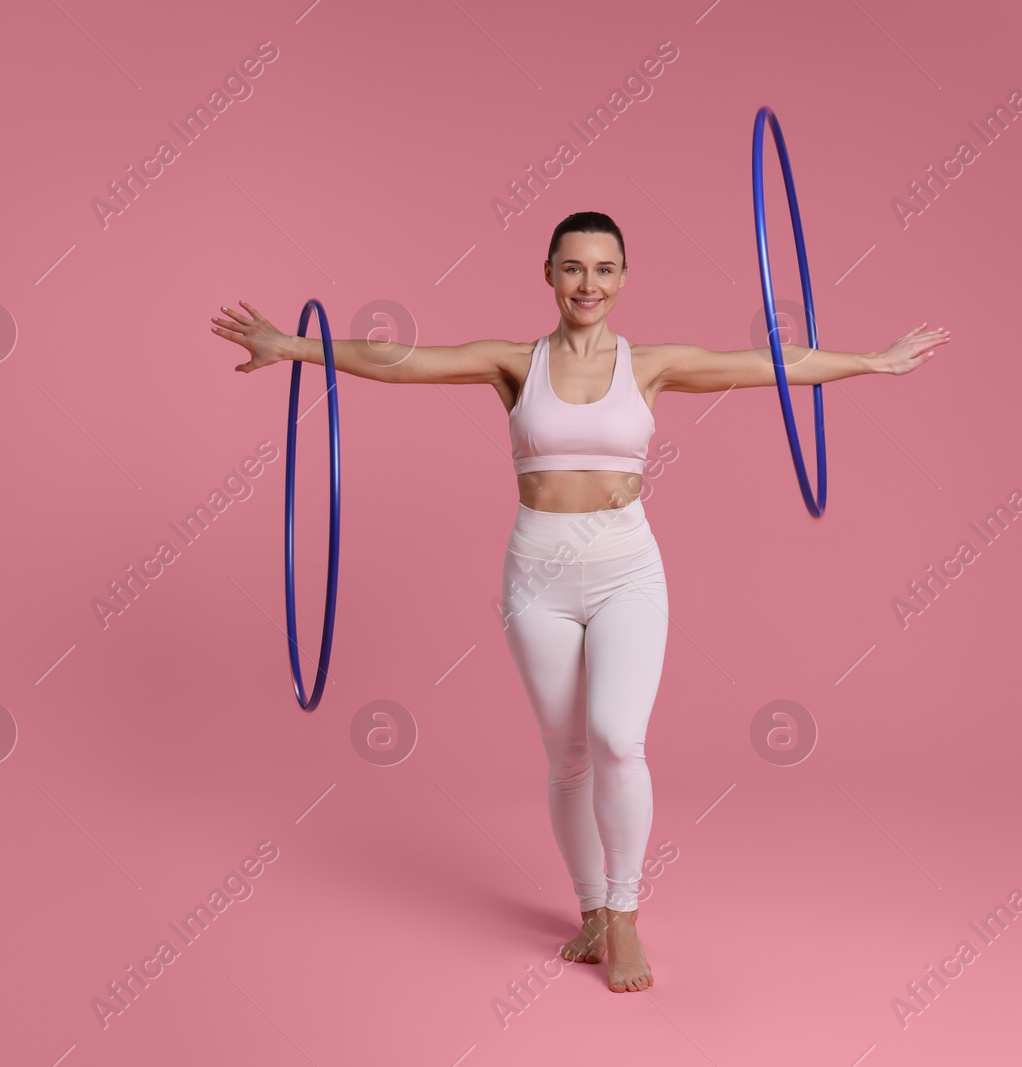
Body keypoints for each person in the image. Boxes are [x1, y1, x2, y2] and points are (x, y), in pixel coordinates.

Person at [210, 211, 949, 993]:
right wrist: (289, 344)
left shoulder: (653, 364)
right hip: (537, 576)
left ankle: (625, 915)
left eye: (603, 269)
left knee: (617, 739)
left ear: (624, 277)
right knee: (567, 756)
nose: (588, 284)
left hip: (628, 565)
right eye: (572, 268)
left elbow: (773, 362)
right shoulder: (513, 362)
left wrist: (875, 360)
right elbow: (399, 360)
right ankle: (591, 907)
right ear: (549, 275)